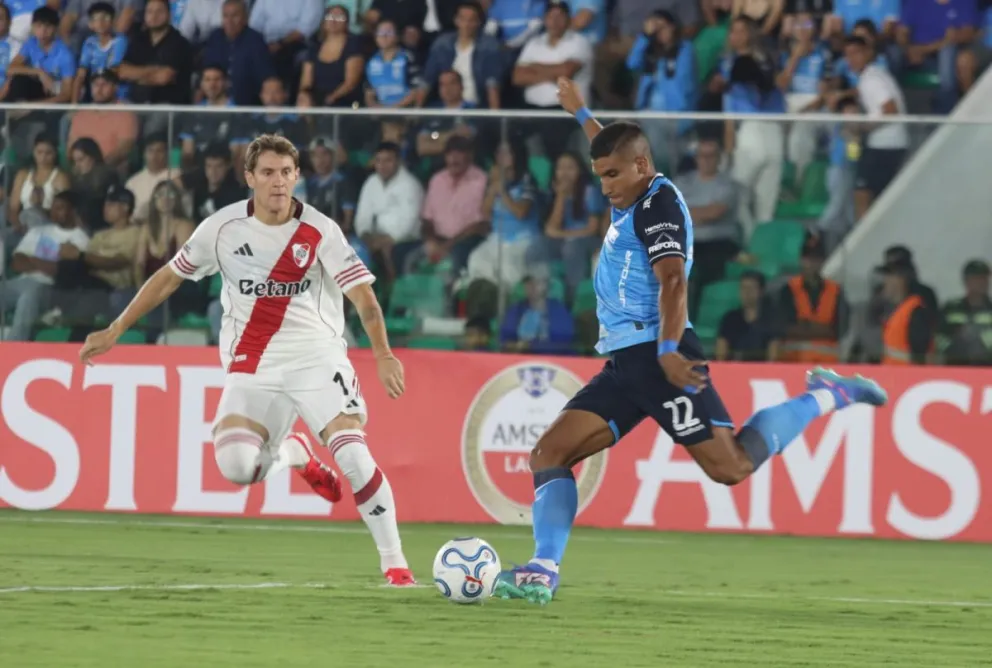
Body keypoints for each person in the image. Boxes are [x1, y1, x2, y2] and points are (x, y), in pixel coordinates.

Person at [494, 78, 888, 605]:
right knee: (549, 453)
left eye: (612, 176)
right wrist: (578, 110)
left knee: (731, 468)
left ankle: (828, 394)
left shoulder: (657, 207)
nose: (605, 186)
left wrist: (668, 352)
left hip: (658, 356)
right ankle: (542, 570)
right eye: (600, 175)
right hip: (626, 362)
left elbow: (674, 279)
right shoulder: (629, 184)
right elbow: (611, 145)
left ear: (641, 166)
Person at [79, 134, 416, 587]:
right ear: (250, 178)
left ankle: (395, 565)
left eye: (286, 173)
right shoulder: (220, 229)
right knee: (237, 467)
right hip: (252, 363)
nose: (278, 182)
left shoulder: (320, 231)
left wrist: (384, 354)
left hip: (315, 356)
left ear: (297, 176)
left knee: (353, 455)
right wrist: (115, 329)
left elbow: (365, 299)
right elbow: (167, 278)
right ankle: (294, 452)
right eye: (268, 173)